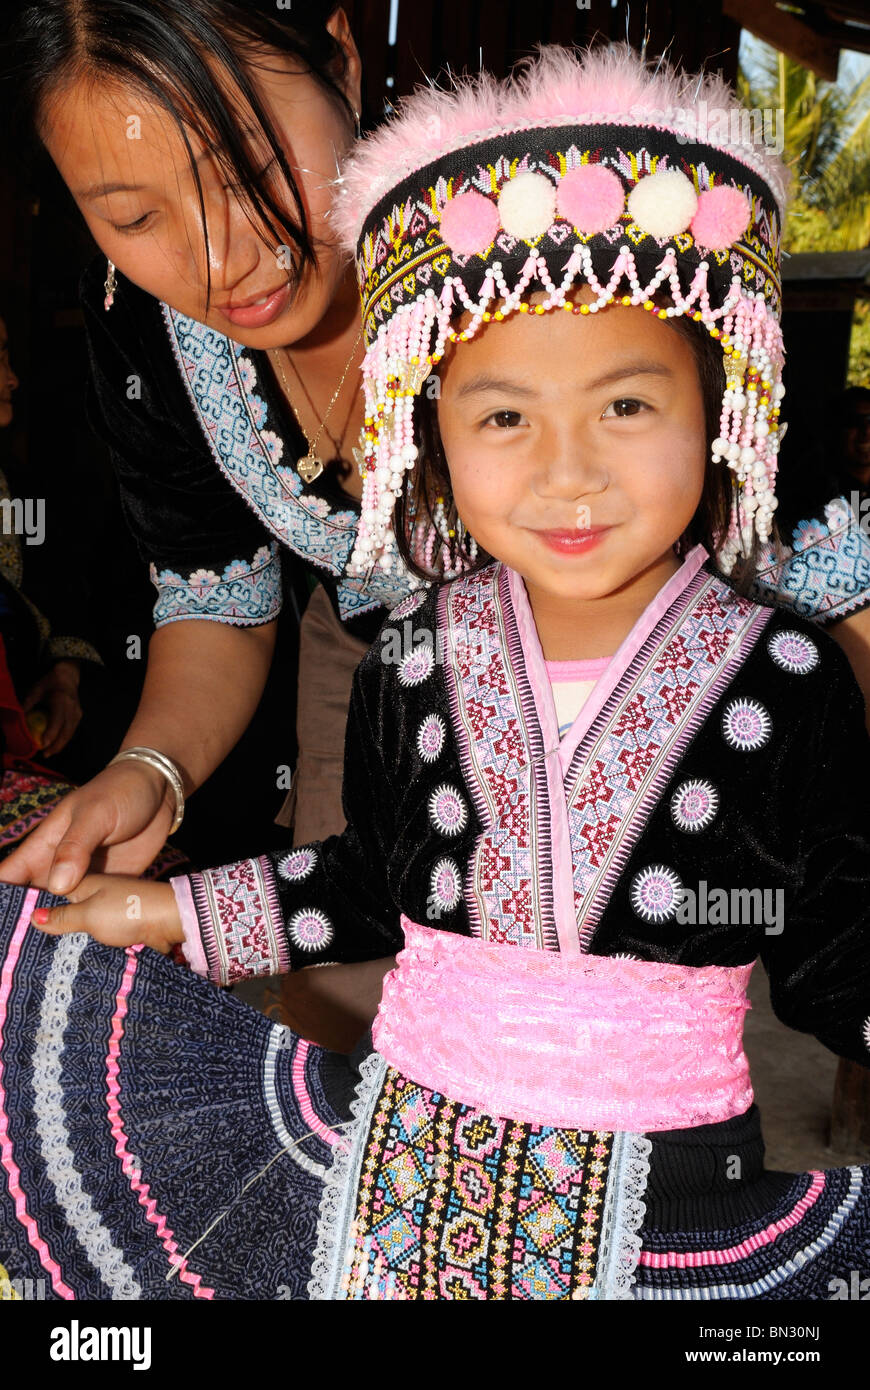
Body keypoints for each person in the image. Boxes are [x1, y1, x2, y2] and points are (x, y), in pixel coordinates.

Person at [2, 43, 869, 1301]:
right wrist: (170, 912)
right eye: (503, 418)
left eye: (628, 407)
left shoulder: (787, 674)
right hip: (406, 1185)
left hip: (681, 1201)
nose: (567, 473)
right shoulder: (413, 659)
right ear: (435, 435)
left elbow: (832, 940)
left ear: (720, 406)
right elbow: (368, 881)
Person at [2, 0, 423, 1041]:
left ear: (342, 58)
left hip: (611, 682)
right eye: (136, 218)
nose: (224, 257)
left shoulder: (508, 236)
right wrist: (150, 770)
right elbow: (218, 593)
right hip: (368, 666)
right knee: (344, 1021)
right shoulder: (145, 329)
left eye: (247, 165)